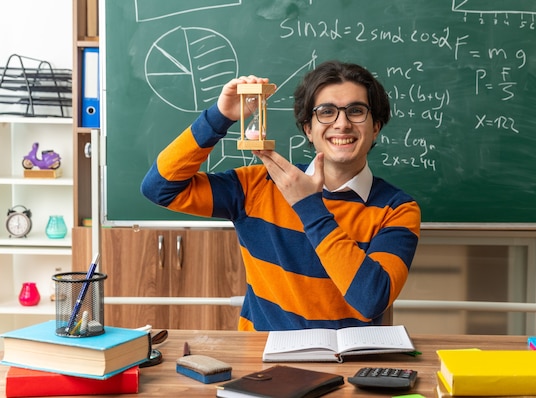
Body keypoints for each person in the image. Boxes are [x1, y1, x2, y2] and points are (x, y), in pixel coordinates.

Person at [141, 60, 421, 331]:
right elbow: (159, 188)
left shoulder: (398, 209)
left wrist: (309, 208)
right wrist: (219, 116)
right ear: (308, 129)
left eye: (356, 111)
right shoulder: (259, 185)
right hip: (262, 361)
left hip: (349, 364)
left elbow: (371, 300)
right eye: (326, 112)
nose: (342, 124)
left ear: (376, 127)